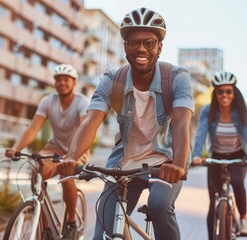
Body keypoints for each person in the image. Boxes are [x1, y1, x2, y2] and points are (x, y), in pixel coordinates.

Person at [57, 7, 194, 240]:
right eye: (134, 42)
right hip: (124, 165)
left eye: (149, 42)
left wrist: (178, 164)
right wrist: (71, 158)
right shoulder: (114, 81)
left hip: (165, 162)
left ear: (159, 48)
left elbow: (182, 123)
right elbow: (91, 121)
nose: (141, 48)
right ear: (125, 47)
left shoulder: (177, 78)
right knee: (103, 233)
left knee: (160, 204)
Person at [5, 64, 90, 239]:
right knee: (36, 172)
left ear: (74, 83)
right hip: (55, 148)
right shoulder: (48, 101)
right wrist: (16, 148)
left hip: (77, 149)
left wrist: (72, 155)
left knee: (66, 177)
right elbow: (33, 128)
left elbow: (85, 129)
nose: (62, 83)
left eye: (66, 80)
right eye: (59, 80)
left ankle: (72, 222)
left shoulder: (82, 102)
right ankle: (45, 229)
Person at [192, 71, 247, 239]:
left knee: (237, 181)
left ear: (234, 93)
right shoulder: (208, 111)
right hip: (216, 156)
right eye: (220, 92)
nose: (225, 95)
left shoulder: (241, 111)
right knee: (213, 201)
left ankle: (243, 218)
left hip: (237, 155)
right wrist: (197, 155)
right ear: (216, 94)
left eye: (228, 91)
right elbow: (201, 133)